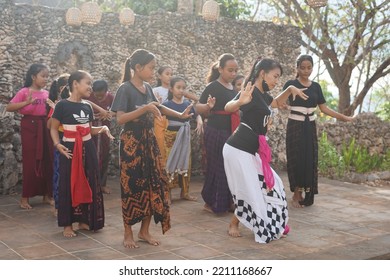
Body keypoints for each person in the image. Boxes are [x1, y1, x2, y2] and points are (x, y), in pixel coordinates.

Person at [110, 49, 193, 249]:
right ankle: (128, 232)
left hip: (149, 141)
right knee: (131, 187)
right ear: (137, 68)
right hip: (132, 142)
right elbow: (120, 118)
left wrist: (180, 115)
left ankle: (144, 231)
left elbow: (159, 107)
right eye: (151, 68)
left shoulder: (147, 87)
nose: (153, 72)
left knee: (153, 185)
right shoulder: (125, 88)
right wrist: (144, 109)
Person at [223, 57, 308, 243]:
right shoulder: (251, 91)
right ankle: (233, 224)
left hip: (251, 151)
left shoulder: (262, 94)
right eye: (275, 76)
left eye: (279, 78)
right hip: (237, 149)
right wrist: (239, 102)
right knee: (250, 190)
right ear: (263, 73)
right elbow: (228, 107)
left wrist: (289, 89)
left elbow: (275, 103)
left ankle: (260, 221)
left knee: (273, 186)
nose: (276, 81)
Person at [284, 54, 354, 208]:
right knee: (296, 158)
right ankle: (296, 193)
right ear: (297, 68)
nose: (306, 71)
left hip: (310, 126)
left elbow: (323, 108)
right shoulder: (290, 84)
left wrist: (343, 117)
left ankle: (307, 193)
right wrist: (288, 105)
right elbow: (280, 102)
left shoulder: (316, 87)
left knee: (309, 159)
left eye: (309, 67)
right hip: (295, 126)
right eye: (302, 67)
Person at [50, 70, 114, 238]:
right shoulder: (62, 105)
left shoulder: (87, 106)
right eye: (87, 83)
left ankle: (85, 219)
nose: (90, 87)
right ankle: (67, 224)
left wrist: (103, 128)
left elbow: (89, 130)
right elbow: (53, 127)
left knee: (90, 181)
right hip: (69, 150)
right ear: (75, 84)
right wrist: (57, 144)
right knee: (68, 184)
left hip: (88, 148)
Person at [195, 53, 239, 214]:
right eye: (230, 70)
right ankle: (211, 201)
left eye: (235, 71)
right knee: (216, 166)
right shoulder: (212, 86)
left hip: (230, 132)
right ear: (220, 69)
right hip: (215, 131)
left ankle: (227, 201)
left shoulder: (234, 89)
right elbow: (198, 108)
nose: (233, 74)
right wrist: (208, 106)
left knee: (228, 167)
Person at [6, 63, 53, 209]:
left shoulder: (47, 94)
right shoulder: (25, 91)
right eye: (43, 76)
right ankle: (25, 198)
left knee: (47, 159)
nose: (46, 79)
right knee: (30, 161)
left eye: (47, 76)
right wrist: (26, 102)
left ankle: (47, 195)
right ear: (33, 77)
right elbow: (9, 107)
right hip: (29, 127)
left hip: (45, 126)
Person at [162, 76, 203, 202]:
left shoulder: (187, 104)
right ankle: (167, 194)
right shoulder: (166, 105)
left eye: (183, 88)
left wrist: (199, 119)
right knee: (170, 163)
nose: (181, 90)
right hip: (170, 138)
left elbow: (197, 113)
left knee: (187, 163)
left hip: (185, 138)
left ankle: (185, 192)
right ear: (171, 89)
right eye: (178, 87)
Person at [46, 73, 71, 215]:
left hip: (76, 141)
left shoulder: (79, 104)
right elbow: (49, 125)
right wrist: (55, 109)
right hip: (62, 139)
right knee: (59, 173)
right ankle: (58, 205)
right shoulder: (59, 105)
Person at [87, 79, 115, 194]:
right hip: (90, 131)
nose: (98, 98)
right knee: (90, 155)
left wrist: (108, 114)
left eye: (101, 96)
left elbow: (116, 112)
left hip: (105, 131)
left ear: (106, 91)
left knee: (104, 155)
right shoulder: (88, 98)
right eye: (96, 95)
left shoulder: (111, 98)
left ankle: (102, 184)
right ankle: (89, 184)